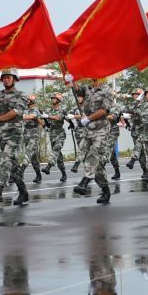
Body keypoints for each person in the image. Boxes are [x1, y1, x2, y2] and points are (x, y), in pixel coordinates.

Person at [0, 68, 30, 205]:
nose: (6, 80)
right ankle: (23, 191)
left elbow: (15, 112)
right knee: (12, 165)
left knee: (6, 160)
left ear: (15, 79)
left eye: (9, 77)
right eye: (4, 78)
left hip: (14, 133)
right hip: (2, 134)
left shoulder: (21, 95)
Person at [69, 74, 115, 204]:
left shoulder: (107, 90)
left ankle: (84, 182)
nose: (91, 77)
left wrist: (87, 118)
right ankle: (105, 190)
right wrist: (71, 80)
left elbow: (104, 111)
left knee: (93, 154)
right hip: (88, 129)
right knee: (94, 164)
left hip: (101, 129)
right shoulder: (87, 88)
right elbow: (76, 89)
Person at [42, 92, 68, 182]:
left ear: (58, 100)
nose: (52, 100)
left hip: (60, 134)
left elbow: (57, 118)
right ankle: (64, 174)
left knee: (56, 149)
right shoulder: (49, 110)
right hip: (52, 134)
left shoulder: (62, 109)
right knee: (58, 157)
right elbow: (45, 122)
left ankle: (48, 167)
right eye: (52, 98)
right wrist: (41, 117)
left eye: (54, 98)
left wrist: (48, 116)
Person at [23, 94, 45, 184]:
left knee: (28, 151)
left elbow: (32, 117)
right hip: (26, 133)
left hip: (34, 133)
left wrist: (21, 117)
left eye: (28, 100)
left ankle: (21, 171)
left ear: (32, 101)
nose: (26, 101)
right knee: (33, 157)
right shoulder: (24, 110)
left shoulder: (35, 110)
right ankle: (38, 174)